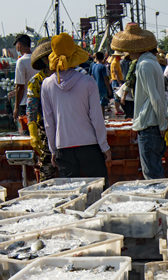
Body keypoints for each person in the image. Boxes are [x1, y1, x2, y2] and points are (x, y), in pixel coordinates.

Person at [41, 33, 110, 178]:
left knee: (73, 195)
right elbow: (96, 118)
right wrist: (104, 146)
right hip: (89, 145)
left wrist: (53, 149)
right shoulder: (87, 82)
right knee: (98, 192)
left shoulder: (46, 85)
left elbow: (49, 122)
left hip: (63, 147)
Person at [111, 23, 168, 179]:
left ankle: (160, 201)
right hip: (153, 124)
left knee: (151, 174)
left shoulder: (144, 66)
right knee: (155, 170)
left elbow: (154, 97)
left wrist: (163, 123)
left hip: (150, 125)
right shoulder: (152, 62)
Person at [26, 40, 56, 180]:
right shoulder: (36, 81)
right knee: (47, 166)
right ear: (44, 60)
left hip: (66, 126)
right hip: (45, 129)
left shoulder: (66, 76)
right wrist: (33, 132)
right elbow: (31, 108)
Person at [13, 34, 37, 131]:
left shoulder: (21, 61)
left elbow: (20, 87)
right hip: (40, 100)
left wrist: (16, 107)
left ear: (19, 45)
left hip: (26, 103)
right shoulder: (37, 59)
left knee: (28, 131)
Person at [90, 51, 112, 117]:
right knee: (102, 104)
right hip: (102, 88)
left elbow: (92, 77)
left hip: (95, 87)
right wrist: (109, 89)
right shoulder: (102, 67)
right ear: (103, 58)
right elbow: (106, 79)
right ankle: (102, 119)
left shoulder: (93, 66)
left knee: (97, 104)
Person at [109, 51, 125, 115]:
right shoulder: (115, 63)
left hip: (116, 80)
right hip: (116, 81)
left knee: (117, 95)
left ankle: (118, 109)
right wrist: (119, 82)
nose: (120, 57)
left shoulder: (117, 62)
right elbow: (116, 74)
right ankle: (117, 109)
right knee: (116, 95)